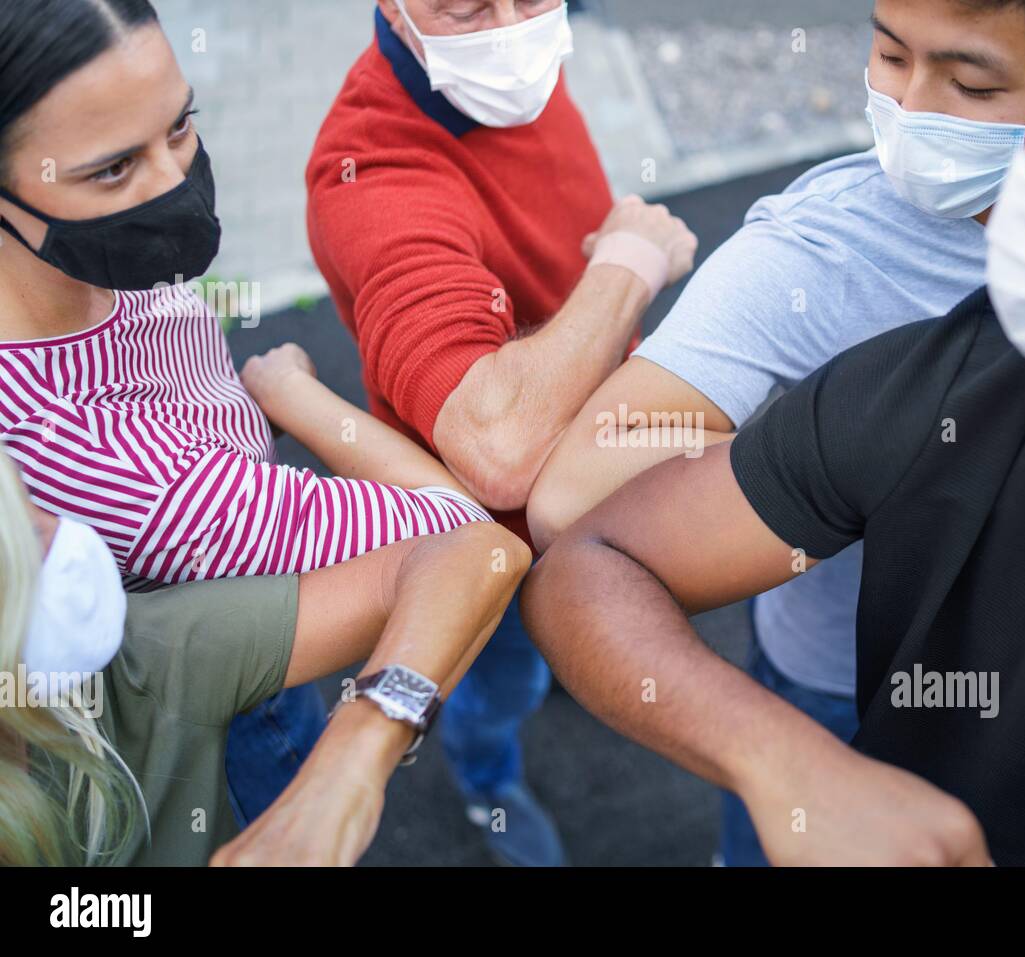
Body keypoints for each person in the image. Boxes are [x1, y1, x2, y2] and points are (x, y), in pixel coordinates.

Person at [521, 0, 1025, 866]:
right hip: (825, 684)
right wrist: (794, 766)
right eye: (891, 57)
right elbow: (588, 547)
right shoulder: (958, 368)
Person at [527, 0, 1025, 865]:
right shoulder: (824, 250)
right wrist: (797, 448)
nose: (913, 110)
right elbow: (574, 504)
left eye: (969, 82)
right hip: (836, 684)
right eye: (888, 56)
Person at [0, 0, 495, 827]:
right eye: (114, 170)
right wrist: (294, 398)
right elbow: (465, 535)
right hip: (241, 696)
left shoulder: (87, 250)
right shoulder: (124, 473)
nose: (175, 189)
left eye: (181, 126)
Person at [305, 0, 697, 865]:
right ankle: (489, 783)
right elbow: (498, 447)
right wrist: (628, 264)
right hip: (491, 534)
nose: (513, 29)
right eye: (467, 7)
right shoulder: (372, 173)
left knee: (566, 635)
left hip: (595, 468)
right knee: (499, 677)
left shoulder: (506, 81)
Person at [0, 451, 531, 866]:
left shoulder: (142, 659)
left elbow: (478, 551)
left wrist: (343, 772)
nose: (64, 526)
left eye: (24, 494)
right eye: (18, 529)